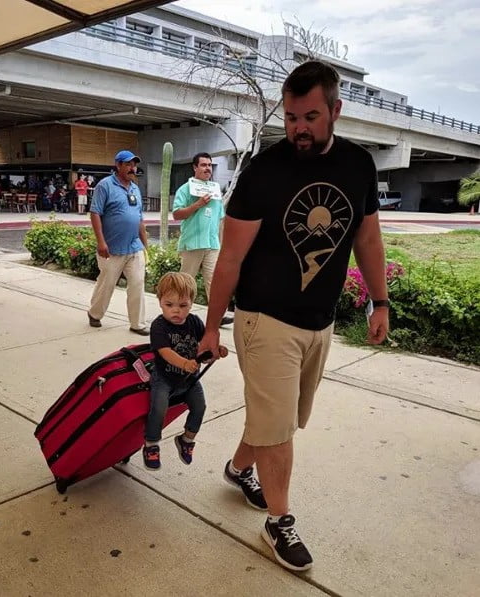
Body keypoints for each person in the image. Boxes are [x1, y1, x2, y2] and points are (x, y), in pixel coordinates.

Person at [199, 60, 389, 572]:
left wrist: (380, 301)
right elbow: (231, 256)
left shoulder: (358, 165)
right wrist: (212, 325)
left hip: (319, 322)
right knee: (279, 429)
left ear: (335, 110)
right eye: (290, 117)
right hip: (266, 321)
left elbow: (368, 238)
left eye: (309, 116)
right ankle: (279, 521)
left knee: (281, 418)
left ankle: (240, 468)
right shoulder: (266, 170)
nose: (299, 128)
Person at [143, 272, 228, 470]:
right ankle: (151, 444)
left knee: (200, 406)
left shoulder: (195, 322)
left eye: (183, 306)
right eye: (169, 305)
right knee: (159, 407)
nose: (176, 311)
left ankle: (187, 439)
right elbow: (164, 352)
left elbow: (204, 347)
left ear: (191, 303)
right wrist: (183, 363)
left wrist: (215, 352)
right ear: (160, 302)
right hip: (164, 377)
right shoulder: (159, 326)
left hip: (189, 378)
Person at [88, 150, 149, 336]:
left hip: (134, 246)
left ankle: (137, 323)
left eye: (134, 165)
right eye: (129, 164)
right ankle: (95, 313)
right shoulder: (105, 186)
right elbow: (95, 213)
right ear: (118, 165)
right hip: (112, 248)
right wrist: (101, 242)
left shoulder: (135, 189)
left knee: (138, 283)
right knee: (107, 284)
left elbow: (139, 219)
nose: (133, 168)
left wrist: (145, 245)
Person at [172, 152, 234, 327]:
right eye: (203, 165)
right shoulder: (185, 189)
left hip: (212, 245)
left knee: (214, 282)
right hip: (192, 243)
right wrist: (197, 204)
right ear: (195, 167)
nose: (207, 168)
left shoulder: (215, 191)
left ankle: (217, 317)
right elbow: (177, 214)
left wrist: (221, 245)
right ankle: (178, 315)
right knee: (186, 282)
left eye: (209, 165)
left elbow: (220, 220)